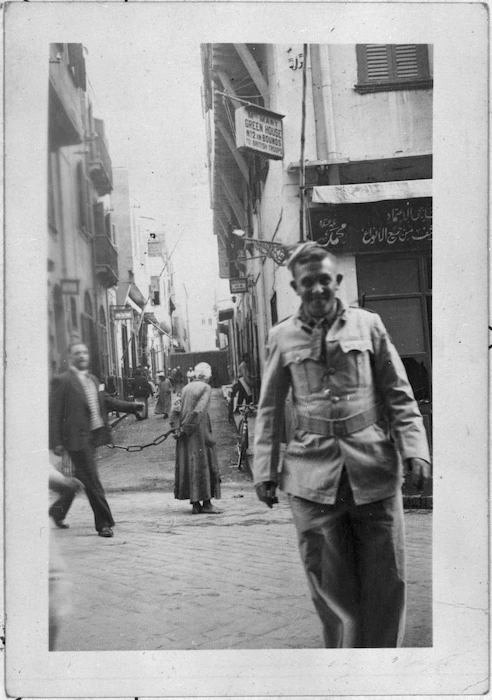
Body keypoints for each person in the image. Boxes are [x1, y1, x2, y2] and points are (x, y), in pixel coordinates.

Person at [253, 242, 431, 648]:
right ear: (296, 287)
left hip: (374, 469)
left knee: (387, 581)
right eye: (307, 282)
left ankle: (383, 671)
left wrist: (415, 449)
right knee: (330, 588)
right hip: (310, 477)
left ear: (337, 281)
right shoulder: (281, 337)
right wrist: (264, 470)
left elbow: (398, 394)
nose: (317, 289)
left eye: (324, 281)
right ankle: (344, 672)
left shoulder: (369, 325)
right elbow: (268, 409)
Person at [49, 341, 144, 538]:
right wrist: (56, 442)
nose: (82, 355)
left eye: (85, 352)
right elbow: (54, 413)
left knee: (78, 480)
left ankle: (56, 511)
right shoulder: (63, 380)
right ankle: (104, 524)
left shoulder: (93, 379)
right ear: (70, 356)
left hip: (92, 438)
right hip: (75, 441)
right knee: (93, 481)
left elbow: (106, 401)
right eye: (77, 353)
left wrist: (131, 406)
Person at [171, 362, 222, 515]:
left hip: (185, 435)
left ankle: (195, 504)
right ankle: (207, 503)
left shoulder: (185, 388)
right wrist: (187, 428)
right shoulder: (206, 388)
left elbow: (176, 409)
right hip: (199, 432)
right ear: (207, 376)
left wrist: (177, 428)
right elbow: (199, 410)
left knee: (190, 465)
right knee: (204, 465)